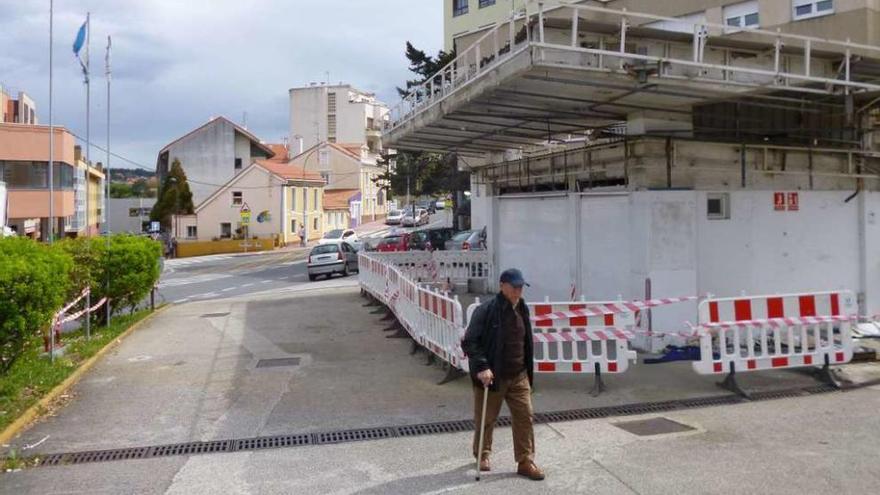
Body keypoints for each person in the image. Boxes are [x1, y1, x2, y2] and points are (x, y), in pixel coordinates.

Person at [462, 268, 545, 481]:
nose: (518, 290)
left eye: (520, 287)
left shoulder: (522, 308)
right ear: (502, 286)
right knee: (486, 418)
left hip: (518, 374)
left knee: (525, 416)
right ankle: (482, 454)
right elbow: (470, 341)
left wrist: (527, 369)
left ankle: (525, 461)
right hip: (492, 375)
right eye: (514, 286)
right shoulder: (487, 310)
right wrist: (482, 367)